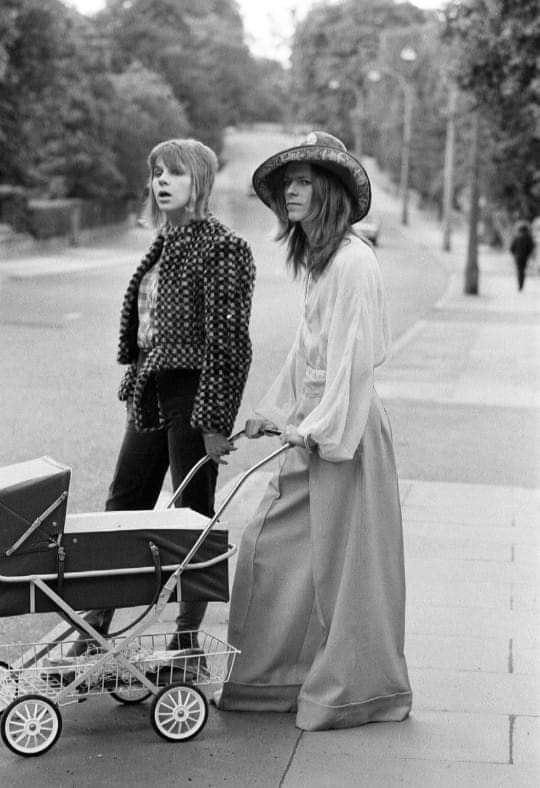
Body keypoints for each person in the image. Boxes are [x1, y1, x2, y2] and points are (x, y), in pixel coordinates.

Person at [215, 131, 412, 730]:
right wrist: (272, 415)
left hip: (344, 436)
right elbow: (308, 354)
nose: (290, 193)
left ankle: (354, 692)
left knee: (347, 572)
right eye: (286, 184)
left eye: (302, 182)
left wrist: (318, 429)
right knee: (271, 549)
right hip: (315, 430)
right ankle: (272, 681)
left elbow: (357, 360)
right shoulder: (321, 262)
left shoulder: (354, 261)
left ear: (327, 191)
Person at [68, 138, 255, 655]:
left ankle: (186, 640)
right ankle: (94, 624)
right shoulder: (164, 243)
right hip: (151, 390)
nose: (162, 181)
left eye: (175, 172)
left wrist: (216, 420)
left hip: (195, 394)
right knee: (123, 502)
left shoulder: (224, 247)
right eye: (156, 173)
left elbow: (230, 342)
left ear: (200, 180)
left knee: (190, 515)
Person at [510, 221, 535, 291]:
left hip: (518, 257)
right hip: (525, 257)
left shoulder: (517, 237)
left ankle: (519, 285)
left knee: (519, 270)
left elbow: (511, 248)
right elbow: (531, 247)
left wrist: (514, 255)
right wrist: (528, 254)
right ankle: (521, 285)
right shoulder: (528, 237)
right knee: (523, 270)